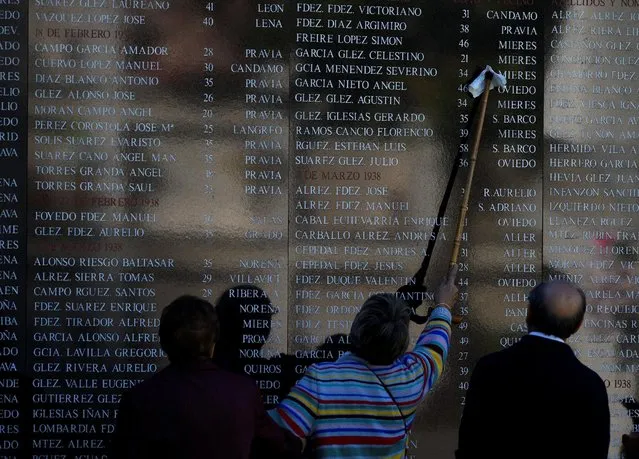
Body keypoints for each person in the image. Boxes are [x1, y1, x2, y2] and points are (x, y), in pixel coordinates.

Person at [269, 264, 459, 458]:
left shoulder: (320, 381)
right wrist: (443, 306)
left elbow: (275, 434)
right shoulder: (410, 379)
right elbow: (434, 347)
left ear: (357, 328)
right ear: (402, 342)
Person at [110, 295, 302, 459]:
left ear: (163, 342)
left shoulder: (139, 399)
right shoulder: (243, 392)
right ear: (213, 342)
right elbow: (280, 446)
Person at [456, 280, 610, 459]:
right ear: (578, 325)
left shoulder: (490, 368)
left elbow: (469, 445)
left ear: (529, 312)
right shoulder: (591, 385)